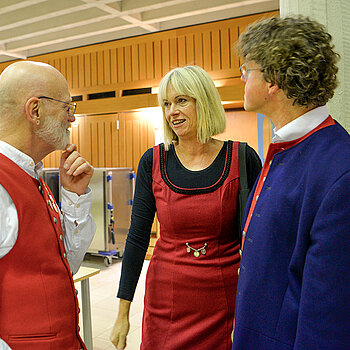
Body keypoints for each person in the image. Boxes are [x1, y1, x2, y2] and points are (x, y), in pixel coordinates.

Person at [110, 65, 262, 349]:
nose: (172, 112)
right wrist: (123, 312)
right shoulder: (153, 161)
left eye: (181, 101)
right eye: (166, 104)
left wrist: (251, 314)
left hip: (225, 303)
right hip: (166, 303)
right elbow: (137, 237)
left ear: (202, 101)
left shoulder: (242, 158)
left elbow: (259, 242)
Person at [232, 16, 350, 350]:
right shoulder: (288, 149)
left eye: (247, 70)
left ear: (272, 79)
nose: (242, 79)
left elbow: (328, 320)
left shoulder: (339, 171)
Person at [0, 61, 96, 350]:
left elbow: (65, 265)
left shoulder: (33, 175)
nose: (72, 119)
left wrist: (73, 197)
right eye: (67, 108)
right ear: (35, 111)